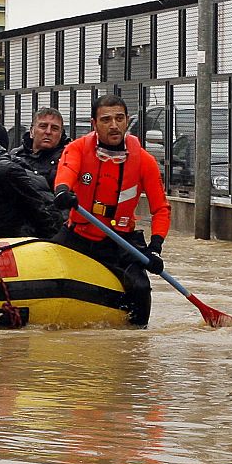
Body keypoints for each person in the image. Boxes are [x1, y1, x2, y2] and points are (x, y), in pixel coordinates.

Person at [51, 94, 171, 327]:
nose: (114, 125)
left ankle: (136, 343)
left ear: (127, 121)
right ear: (94, 124)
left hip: (120, 241)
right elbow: (66, 173)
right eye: (106, 120)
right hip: (78, 235)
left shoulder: (144, 161)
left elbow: (161, 209)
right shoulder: (76, 149)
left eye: (119, 118)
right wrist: (62, 192)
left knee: (140, 288)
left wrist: (155, 248)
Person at [10, 108, 71, 189]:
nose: (48, 132)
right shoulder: (16, 155)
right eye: (43, 126)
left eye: (54, 128)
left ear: (61, 134)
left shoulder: (68, 158)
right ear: (32, 131)